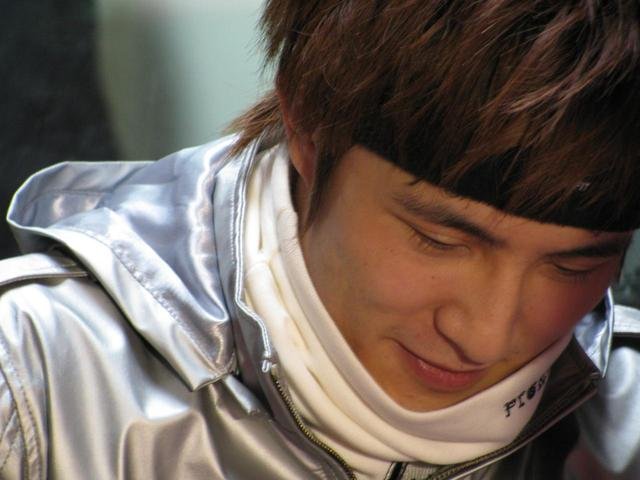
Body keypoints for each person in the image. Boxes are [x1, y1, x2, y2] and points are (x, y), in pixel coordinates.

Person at [0, 1, 639, 478]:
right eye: (438, 240)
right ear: (307, 127)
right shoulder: (29, 384)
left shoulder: (624, 417)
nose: (486, 336)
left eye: (572, 266)